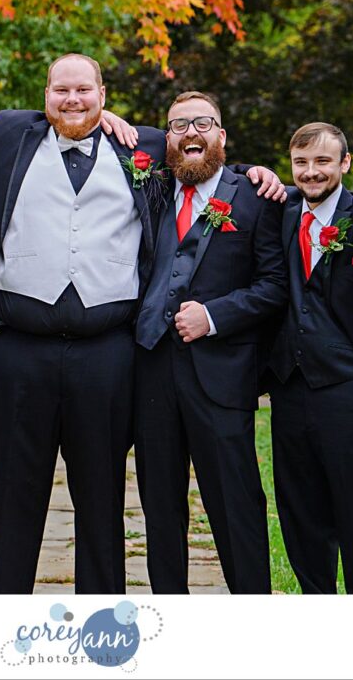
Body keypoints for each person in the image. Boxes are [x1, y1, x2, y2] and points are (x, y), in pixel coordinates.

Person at [0, 54, 286, 593]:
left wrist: (261, 175)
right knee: (14, 500)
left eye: (84, 90)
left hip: (106, 354)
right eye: (61, 90)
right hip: (18, 351)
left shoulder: (146, 145)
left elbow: (202, 156)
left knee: (103, 502)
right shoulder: (5, 133)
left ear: (103, 95)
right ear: (44, 95)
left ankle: (102, 625)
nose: (72, 100)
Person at [132, 91, 287, 593]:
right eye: (179, 126)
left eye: (203, 123)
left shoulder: (256, 197)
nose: (191, 132)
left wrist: (214, 316)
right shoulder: (151, 191)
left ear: (221, 134)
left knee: (236, 504)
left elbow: (275, 286)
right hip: (153, 372)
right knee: (160, 507)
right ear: (167, 140)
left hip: (221, 376)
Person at [266, 122, 353, 594]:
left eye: (323, 161)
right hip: (290, 390)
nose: (311, 172)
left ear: (345, 163)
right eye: (301, 162)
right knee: (302, 519)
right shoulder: (281, 213)